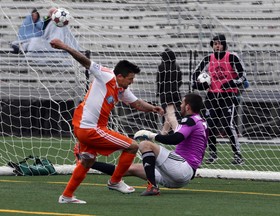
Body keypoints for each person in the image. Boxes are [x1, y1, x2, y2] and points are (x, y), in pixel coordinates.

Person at [49, 39, 164, 204]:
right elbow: (85, 61)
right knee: (132, 146)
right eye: (130, 78)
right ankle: (115, 181)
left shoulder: (121, 89)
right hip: (90, 128)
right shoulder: (106, 75)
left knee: (88, 160)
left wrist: (153, 108)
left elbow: (137, 103)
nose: (132, 82)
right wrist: (64, 46)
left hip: (82, 126)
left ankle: (66, 196)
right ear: (119, 76)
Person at [79, 93, 208, 196]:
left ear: (187, 107)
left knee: (146, 145)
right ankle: (89, 162)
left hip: (182, 168)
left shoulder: (190, 120)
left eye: (182, 103)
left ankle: (152, 186)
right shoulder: (200, 121)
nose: (180, 105)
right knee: (129, 168)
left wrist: (152, 135)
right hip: (177, 177)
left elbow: (176, 139)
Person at [192, 34, 247, 165]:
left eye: (219, 43)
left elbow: (243, 75)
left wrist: (232, 83)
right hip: (211, 96)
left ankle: (238, 155)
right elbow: (195, 75)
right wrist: (199, 84)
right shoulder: (207, 59)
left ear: (224, 44)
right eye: (215, 43)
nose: (217, 46)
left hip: (227, 95)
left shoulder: (232, 57)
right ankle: (213, 154)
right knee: (209, 126)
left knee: (228, 125)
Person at [157, 48, 183, 135]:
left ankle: (178, 132)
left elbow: (159, 81)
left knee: (170, 114)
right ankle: (163, 133)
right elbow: (180, 81)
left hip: (165, 93)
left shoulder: (161, 67)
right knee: (169, 114)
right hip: (175, 93)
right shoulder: (177, 66)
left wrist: (159, 92)